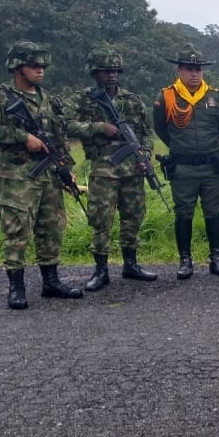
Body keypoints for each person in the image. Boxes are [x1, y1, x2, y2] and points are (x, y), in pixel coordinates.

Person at [0, 41, 84, 309]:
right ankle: (17, 287)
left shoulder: (48, 99)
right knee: (17, 229)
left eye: (43, 66)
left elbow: (59, 136)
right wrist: (23, 137)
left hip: (48, 174)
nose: (40, 70)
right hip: (17, 176)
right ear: (18, 68)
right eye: (34, 66)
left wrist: (66, 169)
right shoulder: (0, 97)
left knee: (52, 228)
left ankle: (51, 281)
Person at [68, 47, 159, 291]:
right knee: (101, 219)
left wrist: (145, 155)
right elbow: (67, 125)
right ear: (94, 72)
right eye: (106, 71)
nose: (112, 75)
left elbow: (146, 133)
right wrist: (98, 127)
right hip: (103, 168)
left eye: (115, 71)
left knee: (133, 216)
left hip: (132, 169)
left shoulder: (132, 100)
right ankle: (101, 270)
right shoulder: (83, 99)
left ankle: (131, 264)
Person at [153, 45, 219, 280]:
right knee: (184, 213)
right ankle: (185, 260)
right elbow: (160, 128)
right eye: (189, 69)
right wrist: (181, 148)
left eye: (198, 69)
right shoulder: (166, 97)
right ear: (179, 70)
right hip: (183, 167)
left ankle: (216, 258)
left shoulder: (216, 97)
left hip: (210, 167)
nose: (195, 74)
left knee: (213, 212)